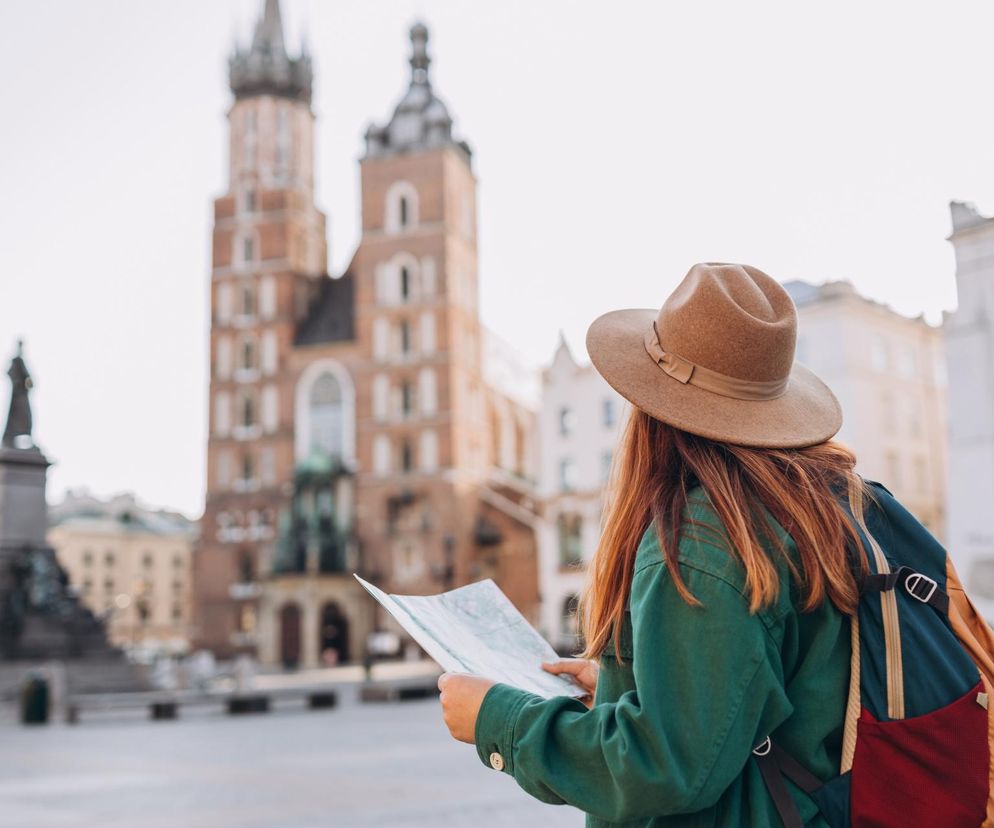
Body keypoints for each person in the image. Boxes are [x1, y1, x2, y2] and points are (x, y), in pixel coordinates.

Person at [438, 263, 876, 826]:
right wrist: (631, 685)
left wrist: (496, 718)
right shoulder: (806, 506)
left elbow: (661, 767)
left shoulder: (702, 538)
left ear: (653, 408)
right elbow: (756, 691)